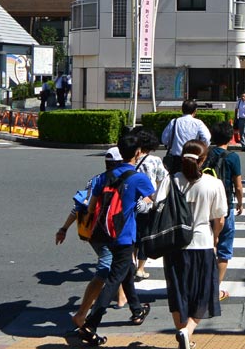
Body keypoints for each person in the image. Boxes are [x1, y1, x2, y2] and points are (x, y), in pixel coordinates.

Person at [75, 134, 156, 346]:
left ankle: (137, 310)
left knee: (126, 269)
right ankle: (91, 323)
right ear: (137, 153)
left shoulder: (103, 177)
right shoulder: (138, 177)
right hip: (124, 235)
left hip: (103, 234)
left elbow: (91, 207)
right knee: (114, 279)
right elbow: (154, 198)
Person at [56, 147, 132, 330]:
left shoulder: (96, 179)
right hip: (104, 232)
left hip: (95, 231)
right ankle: (82, 314)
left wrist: (64, 228)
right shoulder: (118, 180)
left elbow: (78, 207)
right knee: (105, 268)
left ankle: (121, 297)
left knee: (120, 262)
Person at [162, 140, 228, 349]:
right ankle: (187, 331)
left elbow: (157, 207)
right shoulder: (213, 184)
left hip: (174, 244)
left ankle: (185, 337)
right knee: (204, 292)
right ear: (204, 159)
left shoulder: (171, 181)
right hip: (202, 241)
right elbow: (219, 219)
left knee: (178, 292)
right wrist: (216, 237)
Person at [203, 123, 243, 303]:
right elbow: (238, 186)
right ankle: (214, 288)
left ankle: (201, 283)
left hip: (205, 206)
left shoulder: (206, 154)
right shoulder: (232, 157)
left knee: (206, 245)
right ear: (230, 138)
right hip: (225, 205)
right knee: (224, 249)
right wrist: (240, 203)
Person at [133, 130, 168, 281]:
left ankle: (132, 263)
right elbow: (163, 178)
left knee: (133, 236)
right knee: (145, 236)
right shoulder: (155, 160)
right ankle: (140, 268)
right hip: (148, 202)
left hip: (132, 202)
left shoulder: (131, 158)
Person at [161, 100, 212, 174]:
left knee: (176, 181)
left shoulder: (174, 122)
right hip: (193, 158)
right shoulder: (198, 123)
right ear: (195, 111)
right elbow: (206, 137)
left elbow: (164, 139)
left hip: (176, 159)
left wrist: (172, 144)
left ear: (182, 109)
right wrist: (200, 148)